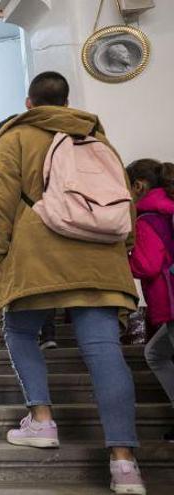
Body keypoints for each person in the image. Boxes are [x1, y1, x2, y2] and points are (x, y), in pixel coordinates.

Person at [0, 71, 144, 495]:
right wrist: (124, 246)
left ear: (30, 103)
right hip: (100, 259)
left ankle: (41, 420)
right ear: (66, 100)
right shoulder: (97, 138)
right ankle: (124, 465)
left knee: (20, 332)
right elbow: (122, 198)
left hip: (38, 256)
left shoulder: (15, 138)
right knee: (105, 352)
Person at [126, 158, 174, 443]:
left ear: (138, 186)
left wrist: (120, 259)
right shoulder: (167, 211)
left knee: (156, 355)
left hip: (170, 302)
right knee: (155, 354)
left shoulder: (147, 219)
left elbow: (148, 265)